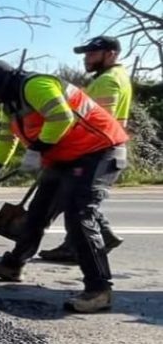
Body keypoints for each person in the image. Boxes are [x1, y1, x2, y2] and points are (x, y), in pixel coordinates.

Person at [0, 60, 128, 314]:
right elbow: (6, 141)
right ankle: (13, 265)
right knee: (37, 212)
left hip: (99, 151)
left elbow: (61, 117)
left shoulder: (36, 85)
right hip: (64, 156)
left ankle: (99, 290)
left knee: (78, 215)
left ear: (3, 84)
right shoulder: (11, 105)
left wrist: (37, 150)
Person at [37, 35, 132, 264]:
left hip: (96, 148)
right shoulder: (117, 77)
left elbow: (99, 121)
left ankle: (78, 248)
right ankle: (99, 237)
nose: (86, 59)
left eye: (92, 54)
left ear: (111, 54)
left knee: (77, 200)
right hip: (105, 147)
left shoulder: (107, 80)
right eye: (86, 55)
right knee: (77, 198)